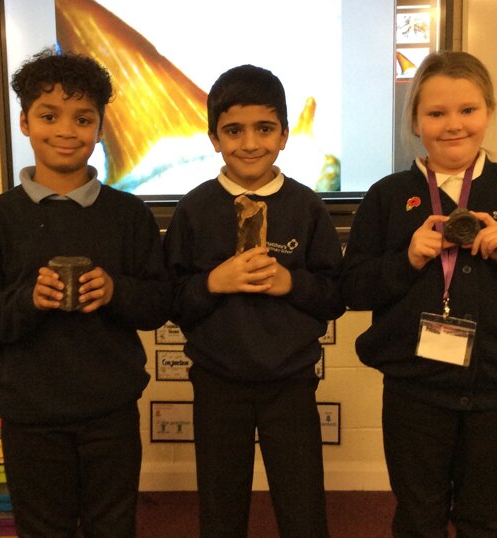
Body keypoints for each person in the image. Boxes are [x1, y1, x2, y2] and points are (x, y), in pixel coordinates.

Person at [340, 51, 497, 537]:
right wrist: (407, 260)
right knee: (419, 517)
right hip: (415, 391)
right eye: (436, 113)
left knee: (486, 518)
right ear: (416, 122)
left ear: (489, 112)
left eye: (468, 110)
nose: (453, 124)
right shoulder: (388, 196)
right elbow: (352, 288)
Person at [0, 49, 171, 537]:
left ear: (100, 129)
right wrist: (27, 299)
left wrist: (114, 291)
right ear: (25, 123)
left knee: (113, 526)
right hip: (29, 415)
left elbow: (158, 303)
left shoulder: (129, 215)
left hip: (109, 412)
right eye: (50, 116)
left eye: (83, 119)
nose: (67, 131)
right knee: (43, 529)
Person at [163, 64, 344, 538]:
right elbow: (171, 301)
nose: (249, 143)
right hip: (217, 381)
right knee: (220, 505)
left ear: (284, 135)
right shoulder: (193, 209)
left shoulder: (307, 206)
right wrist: (212, 283)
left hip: (291, 381)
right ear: (213, 138)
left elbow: (334, 296)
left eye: (264, 129)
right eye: (233, 130)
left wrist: (291, 283)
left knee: (302, 504)